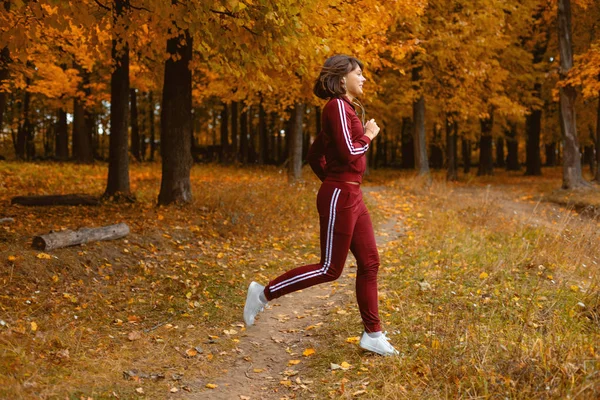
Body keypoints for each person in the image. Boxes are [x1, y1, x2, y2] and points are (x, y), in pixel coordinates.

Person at [243, 54, 398, 356]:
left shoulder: (345, 110)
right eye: (359, 73)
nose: (364, 78)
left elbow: (316, 155)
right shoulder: (337, 106)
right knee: (330, 268)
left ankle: (373, 333)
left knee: (370, 263)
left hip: (351, 194)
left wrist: (338, 179)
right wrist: (367, 136)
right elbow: (351, 150)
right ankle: (262, 294)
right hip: (342, 195)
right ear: (342, 79)